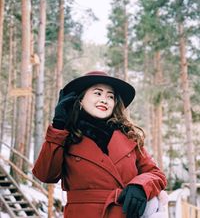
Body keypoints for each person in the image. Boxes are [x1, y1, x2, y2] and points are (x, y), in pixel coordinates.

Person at [32, 70, 167, 218]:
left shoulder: (129, 137)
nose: (104, 100)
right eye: (98, 93)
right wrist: (58, 125)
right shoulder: (65, 135)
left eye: (110, 96)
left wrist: (140, 186)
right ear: (80, 99)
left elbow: (156, 174)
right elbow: (46, 175)